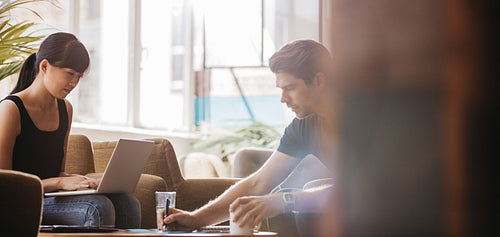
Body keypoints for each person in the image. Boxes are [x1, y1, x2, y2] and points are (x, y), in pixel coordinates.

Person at [163, 39, 338, 236]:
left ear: (319, 81)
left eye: (290, 88)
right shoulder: (303, 126)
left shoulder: (364, 120)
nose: (283, 98)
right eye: (281, 89)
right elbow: (259, 183)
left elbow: (364, 190)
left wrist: (285, 200)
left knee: (305, 205)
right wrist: (196, 219)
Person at [0, 32, 141, 228]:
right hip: (21, 203)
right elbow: (5, 184)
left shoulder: (65, 109)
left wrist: (85, 182)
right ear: (45, 66)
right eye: (69, 73)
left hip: (49, 197)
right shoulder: (10, 109)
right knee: (98, 208)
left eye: (79, 76)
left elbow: (55, 171)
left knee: (128, 203)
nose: (74, 83)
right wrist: (58, 183)